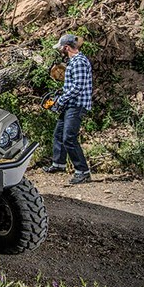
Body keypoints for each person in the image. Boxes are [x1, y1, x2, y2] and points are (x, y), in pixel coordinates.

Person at [44, 34, 93, 184]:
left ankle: (83, 171)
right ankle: (59, 164)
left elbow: (78, 87)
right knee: (59, 134)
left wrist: (60, 100)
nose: (60, 51)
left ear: (66, 47)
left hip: (76, 105)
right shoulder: (73, 61)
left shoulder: (78, 62)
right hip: (69, 104)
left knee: (69, 138)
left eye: (60, 48)